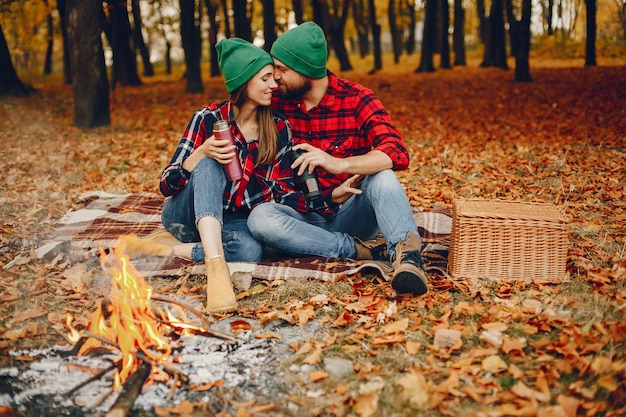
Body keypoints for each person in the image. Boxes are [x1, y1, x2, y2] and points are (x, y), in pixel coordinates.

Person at [247, 22, 429, 296]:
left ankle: (408, 258)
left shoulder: (357, 99)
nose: (276, 77)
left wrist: (340, 163)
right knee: (260, 218)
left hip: (350, 214)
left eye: (282, 70)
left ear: (306, 70)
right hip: (300, 217)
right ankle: (356, 250)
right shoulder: (274, 103)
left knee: (383, 176)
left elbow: (396, 151)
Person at [158, 38, 302, 313]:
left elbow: (284, 190)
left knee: (249, 251)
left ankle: (181, 250)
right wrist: (200, 154)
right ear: (244, 82)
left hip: (232, 220)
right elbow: (166, 184)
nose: (274, 85)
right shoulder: (207, 119)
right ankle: (216, 269)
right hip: (184, 216)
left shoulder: (278, 127)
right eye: (265, 78)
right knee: (212, 163)